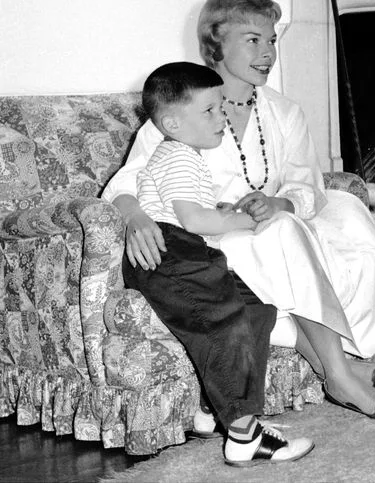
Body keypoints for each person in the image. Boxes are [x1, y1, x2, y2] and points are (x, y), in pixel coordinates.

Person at [103, 0, 375, 424]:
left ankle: (333, 365)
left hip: (277, 224)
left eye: (272, 41)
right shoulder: (185, 106)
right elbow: (129, 180)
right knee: (283, 237)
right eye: (252, 40)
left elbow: (308, 183)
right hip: (215, 236)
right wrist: (133, 216)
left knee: (340, 213)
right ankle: (339, 374)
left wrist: (279, 201)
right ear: (215, 45)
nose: (267, 53)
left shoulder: (285, 111)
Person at [124, 61, 314, 466]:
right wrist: (244, 219)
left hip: (188, 249)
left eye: (221, 107)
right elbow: (191, 220)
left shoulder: (181, 156)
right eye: (209, 110)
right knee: (224, 320)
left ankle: (214, 411)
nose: (221, 117)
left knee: (257, 311)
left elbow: (189, 210)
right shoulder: (180, 156)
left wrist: (221, 211)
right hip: (171, 252)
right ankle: (244, 436)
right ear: (172, 122)